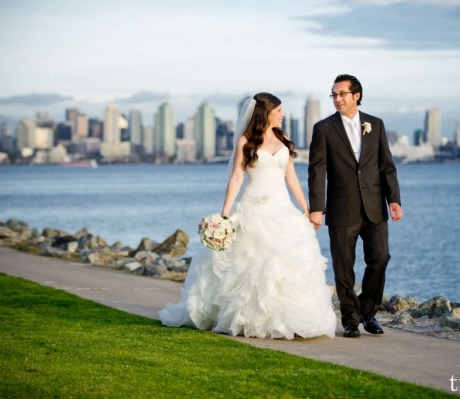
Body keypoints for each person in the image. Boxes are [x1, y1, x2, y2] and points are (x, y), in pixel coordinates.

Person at [159, 92, 336, 340]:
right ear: (266, 113)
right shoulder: (245, 141)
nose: (282, 114)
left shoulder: (283, 139)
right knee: (253, 267)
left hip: (283, 210)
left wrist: (305, 208)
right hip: (253, 209)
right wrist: (224, 214)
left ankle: (288, 321)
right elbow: (236, 178)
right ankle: (247, 320)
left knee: (286, 265)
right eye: (278, 111)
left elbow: (291, 178)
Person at [308, 74, 402, 338]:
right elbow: (317, 170)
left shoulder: (376, 124)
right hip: (341, 207)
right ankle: (350, 319)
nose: (337, 99)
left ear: (356, 96)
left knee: (381, 258)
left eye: (342, 94)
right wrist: (317, 206)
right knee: (343, 266)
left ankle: (367, 312)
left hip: (374, 205)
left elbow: (386, 166)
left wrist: (393, 199)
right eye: (334, 95)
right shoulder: (323, 128)